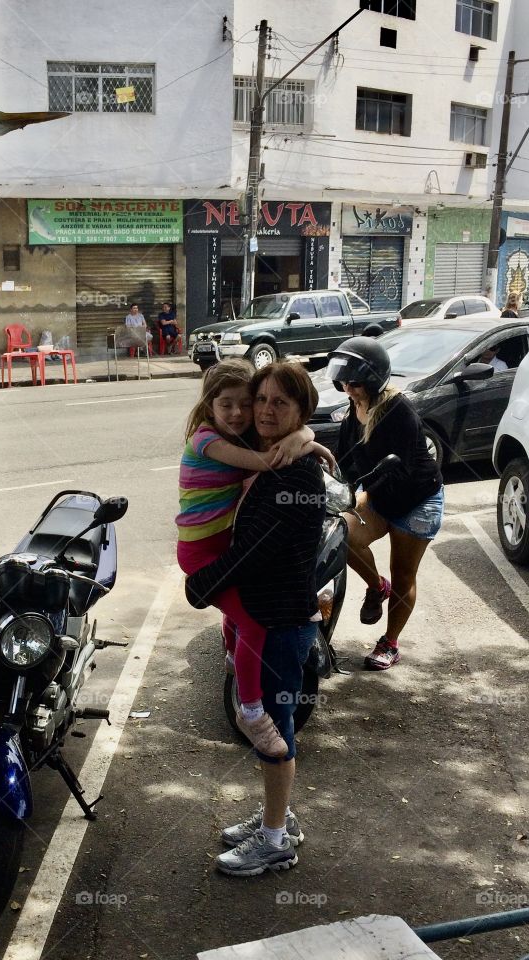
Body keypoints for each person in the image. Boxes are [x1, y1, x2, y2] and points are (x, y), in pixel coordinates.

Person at [185, 362, 326, 877]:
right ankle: (277, 818)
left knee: (274, 727)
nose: (263, 410)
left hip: (278, 620)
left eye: (279, 404)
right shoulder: (280, 460)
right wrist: (305, 437)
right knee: (272, 724)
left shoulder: (293, 476)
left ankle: (273, 842)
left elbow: (252, 554)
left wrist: (200, 586)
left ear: (300, 412)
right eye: (260, 399)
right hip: (273, 615)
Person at [326, 337, 444, 670]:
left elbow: (400, 470)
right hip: (379, 494)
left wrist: (362, 494)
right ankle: (377, 587)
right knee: (340, 535)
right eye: (344, 381)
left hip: (417, 500)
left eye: (355, 381)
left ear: (374, 378)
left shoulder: (397, 410)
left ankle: (390, 642)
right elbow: (348, 459)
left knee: (404, 575)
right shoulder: (355, 405)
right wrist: (330, 479)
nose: (348, 387)